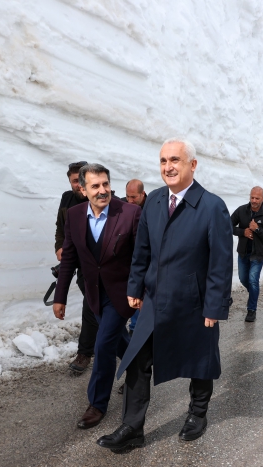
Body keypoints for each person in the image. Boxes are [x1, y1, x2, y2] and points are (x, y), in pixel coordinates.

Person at [96, 138, 233, 451]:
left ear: (192, 165)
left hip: (195, 302)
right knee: (136, 359)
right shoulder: (155, 200)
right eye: (163, 161)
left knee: (200, 360)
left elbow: (221, 262)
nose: (168, 167)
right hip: (156, 299)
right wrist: (135, 286)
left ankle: (197, 414)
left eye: (175, 160)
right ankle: (132, 428)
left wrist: (214, 306)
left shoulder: (212, 206)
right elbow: (141, 250)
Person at [52, 163, 141, 430]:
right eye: (95, 186)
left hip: (122, 293)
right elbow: (69, 258)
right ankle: (139, 364)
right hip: (93, 292)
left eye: (105, 184)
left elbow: (142, 257)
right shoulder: (75, 215)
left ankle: (97, 404)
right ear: (83, 189)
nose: (102, 190)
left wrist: (140, 290)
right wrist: (60, 296)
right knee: (115, 339)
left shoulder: (129, 213)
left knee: (103, 345)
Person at [54, 162, 98, 373]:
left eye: (81, 180)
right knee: (95, 307)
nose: (78, 185)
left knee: (91, 306)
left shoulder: (100, 199)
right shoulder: (67, 199)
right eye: (74, 181)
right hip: (79, 265)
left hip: (101, 267)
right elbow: (60, 228)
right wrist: (59, 247)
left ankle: (85, 353)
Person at [230, 187, 263, 322]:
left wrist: (257, 229)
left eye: (257, 198)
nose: (254, 200)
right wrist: (242, 232)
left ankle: (251, 310)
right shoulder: (241, 210)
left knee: (253, 280)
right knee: (243, 279)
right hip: (243, 252)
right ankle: (254, 294)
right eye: (252, 197)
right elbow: (227, 225)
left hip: (258, 254)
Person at [121, 179, 147, 335]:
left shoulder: (153, 207)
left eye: (134, 197)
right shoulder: (122, 206)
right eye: (127, 196)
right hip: (127, 259)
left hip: (146, 259)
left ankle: (138, 329)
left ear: (142, 194)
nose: (130, 201)